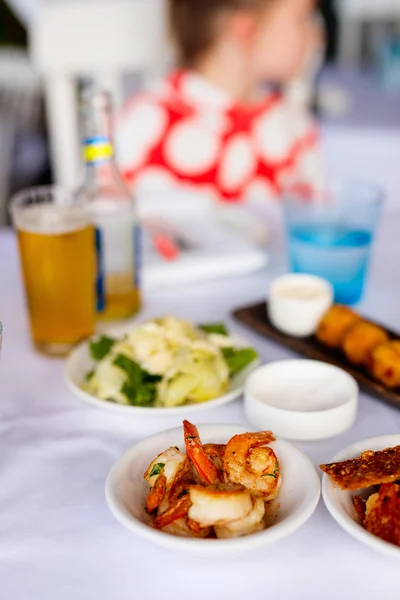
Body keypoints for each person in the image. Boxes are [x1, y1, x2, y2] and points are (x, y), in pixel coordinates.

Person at [116, 0, 324, 204]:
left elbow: (314, 217)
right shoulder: (147, 122)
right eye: (302, 18)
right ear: (246, 29)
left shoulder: (292, 123)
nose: (317, 34)